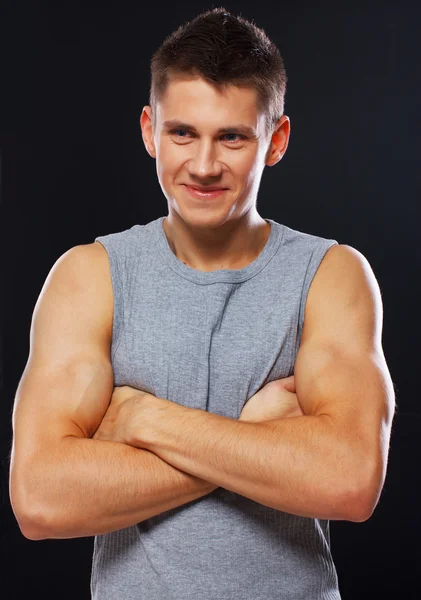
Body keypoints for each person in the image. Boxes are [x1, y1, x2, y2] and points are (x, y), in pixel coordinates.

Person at [9, 7, 395, 600]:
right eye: (182, 133)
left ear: (276, 141)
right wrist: (254, 440)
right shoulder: (91, 276)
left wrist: (145, 421)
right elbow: (40, 500)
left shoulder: (331, 275)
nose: (205, 165)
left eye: (233, 136)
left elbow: (349, 481)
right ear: (148, 130)